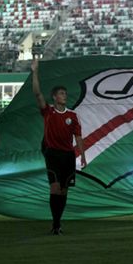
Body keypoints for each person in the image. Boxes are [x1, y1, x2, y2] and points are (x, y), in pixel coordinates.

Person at [31, 58, 87, 235]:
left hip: (68, 156)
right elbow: (37, 94)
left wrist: (83, 155)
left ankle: (58, 222)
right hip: (53, 154)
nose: (64, 95)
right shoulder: (49, 112)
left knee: (63, 191)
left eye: (65, 93)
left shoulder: (73, 115)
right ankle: (55, 224)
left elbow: (78, 136)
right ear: (54, 97)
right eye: (61, 93)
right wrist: (35, 72)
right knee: (55, 188)